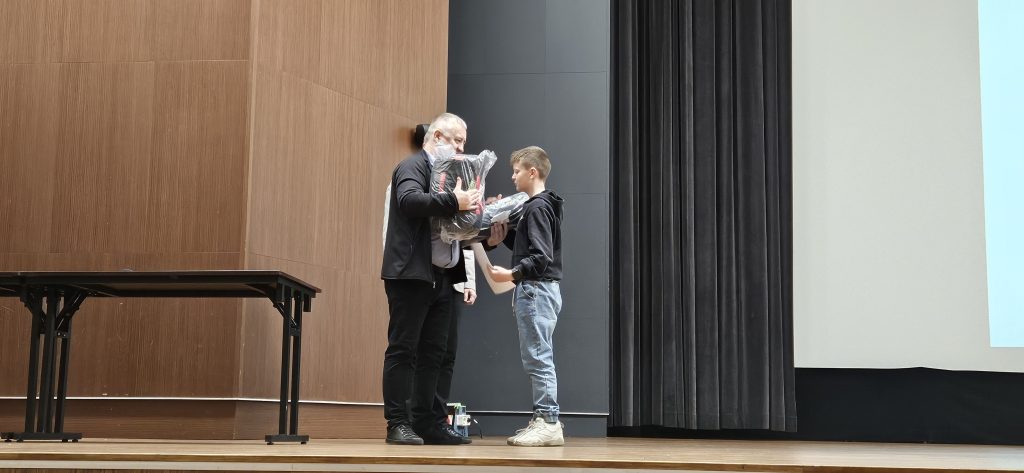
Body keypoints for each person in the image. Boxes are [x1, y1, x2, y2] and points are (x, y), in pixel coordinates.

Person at [381, 113, 480, 445]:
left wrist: (486, 231)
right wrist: (455, 201)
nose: (461, 148)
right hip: (411, 275)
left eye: (463, 142)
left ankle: (430, 422)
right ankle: (398, 423)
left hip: (444, 277)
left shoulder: (452, 176)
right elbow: (409, 201)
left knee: (437, 354)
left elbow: (456, 231)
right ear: (437, 137)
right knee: (403, 350)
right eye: (457, 140)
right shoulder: (413, 166)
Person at [485, 146, 566, 447]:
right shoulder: (543, 207)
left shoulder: (536, 207)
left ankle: (548, 422)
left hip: (535, 290)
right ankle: (544, 419)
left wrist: (511, 274)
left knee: (538, 358)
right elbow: (531, 248)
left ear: (532, 172)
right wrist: (505, 233)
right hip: (541, 290)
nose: (512, 176)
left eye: (516, 171)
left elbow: (541, 257)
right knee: (538, 356)